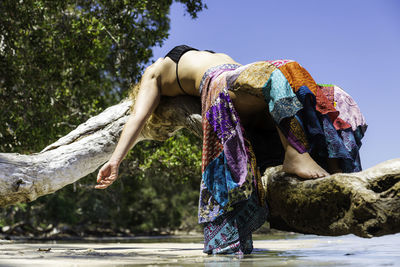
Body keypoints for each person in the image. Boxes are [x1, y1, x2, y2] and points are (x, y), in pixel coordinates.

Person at [96, 45, 367, 254]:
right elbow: (138, 117)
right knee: (280, 70)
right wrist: (115, 161)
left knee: (335, 96)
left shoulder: (180, 67)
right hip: (224, 86)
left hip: (252, 99)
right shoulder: (154, 71)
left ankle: (337, 175)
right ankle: (296, 154)